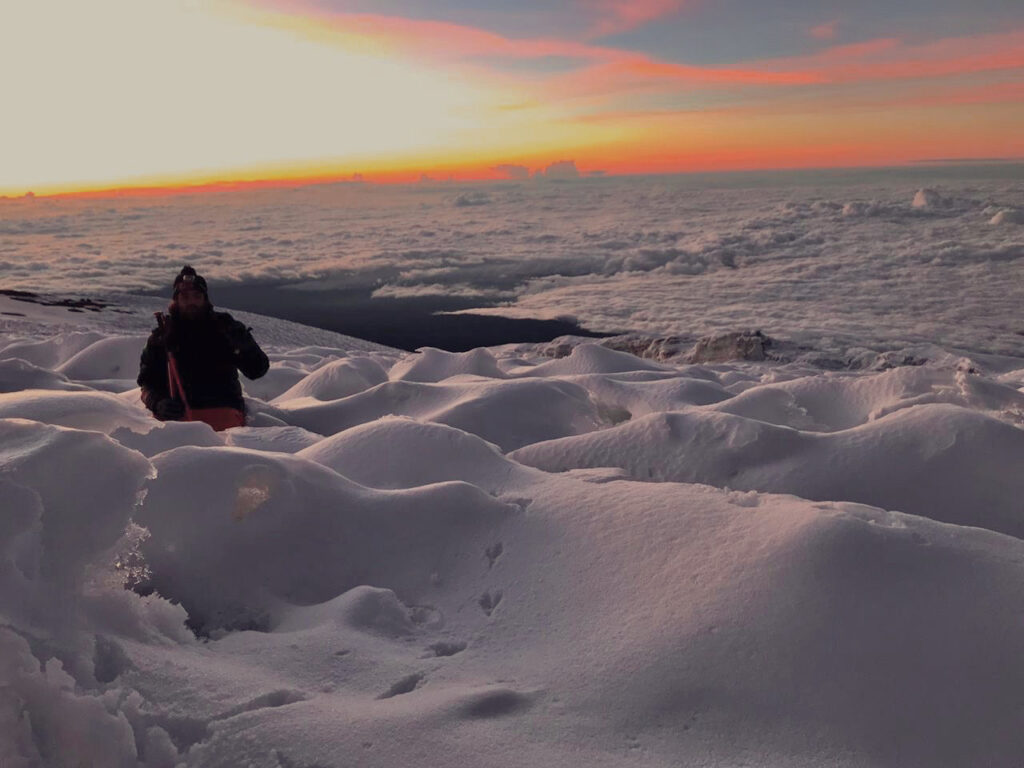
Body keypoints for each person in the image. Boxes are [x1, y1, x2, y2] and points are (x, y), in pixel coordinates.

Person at [138, 265, 269, 431]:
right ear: (176, 301)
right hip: (177, 418)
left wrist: (245, 347)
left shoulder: (226, 328)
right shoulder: (162, 336)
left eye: (196, 296)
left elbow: (257, 370)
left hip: (223, 415)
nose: (191, 302)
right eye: (185, 297)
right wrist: (158, 403)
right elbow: (147, 382)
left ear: (205, 299)